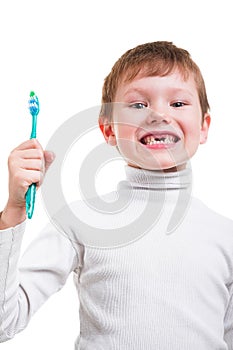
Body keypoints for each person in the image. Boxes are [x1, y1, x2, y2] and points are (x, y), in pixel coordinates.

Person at [0, 41, 233, 350]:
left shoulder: (225, 235)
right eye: (138, 105)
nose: (159, 114)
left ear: (203, 127)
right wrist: (14, 209)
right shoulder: (79, 221)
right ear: (108, 129)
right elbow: (5, 321)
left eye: (178, 104)